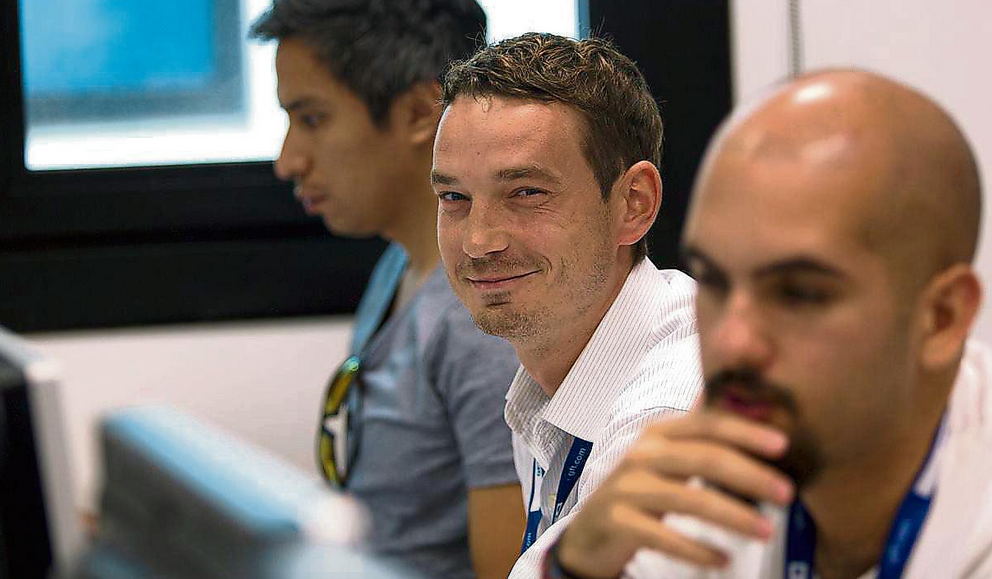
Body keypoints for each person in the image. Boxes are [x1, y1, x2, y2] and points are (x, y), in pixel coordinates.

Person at [548, 69, 992, 579]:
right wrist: (573, 566)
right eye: (713, 280)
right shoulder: (716, 476)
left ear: (941, 319)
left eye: (799, 293)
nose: (732, 341)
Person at [248, 3, 524, 579]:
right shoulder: (398, 265)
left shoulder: (479, 323)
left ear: (422, 112)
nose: (287, 161)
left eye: (313, 119)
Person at [432, 33, 705, 578]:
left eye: (527, 193)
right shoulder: (553, 370)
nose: (479, 240)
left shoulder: (671, 413)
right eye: (455, 198)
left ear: (634, 204)